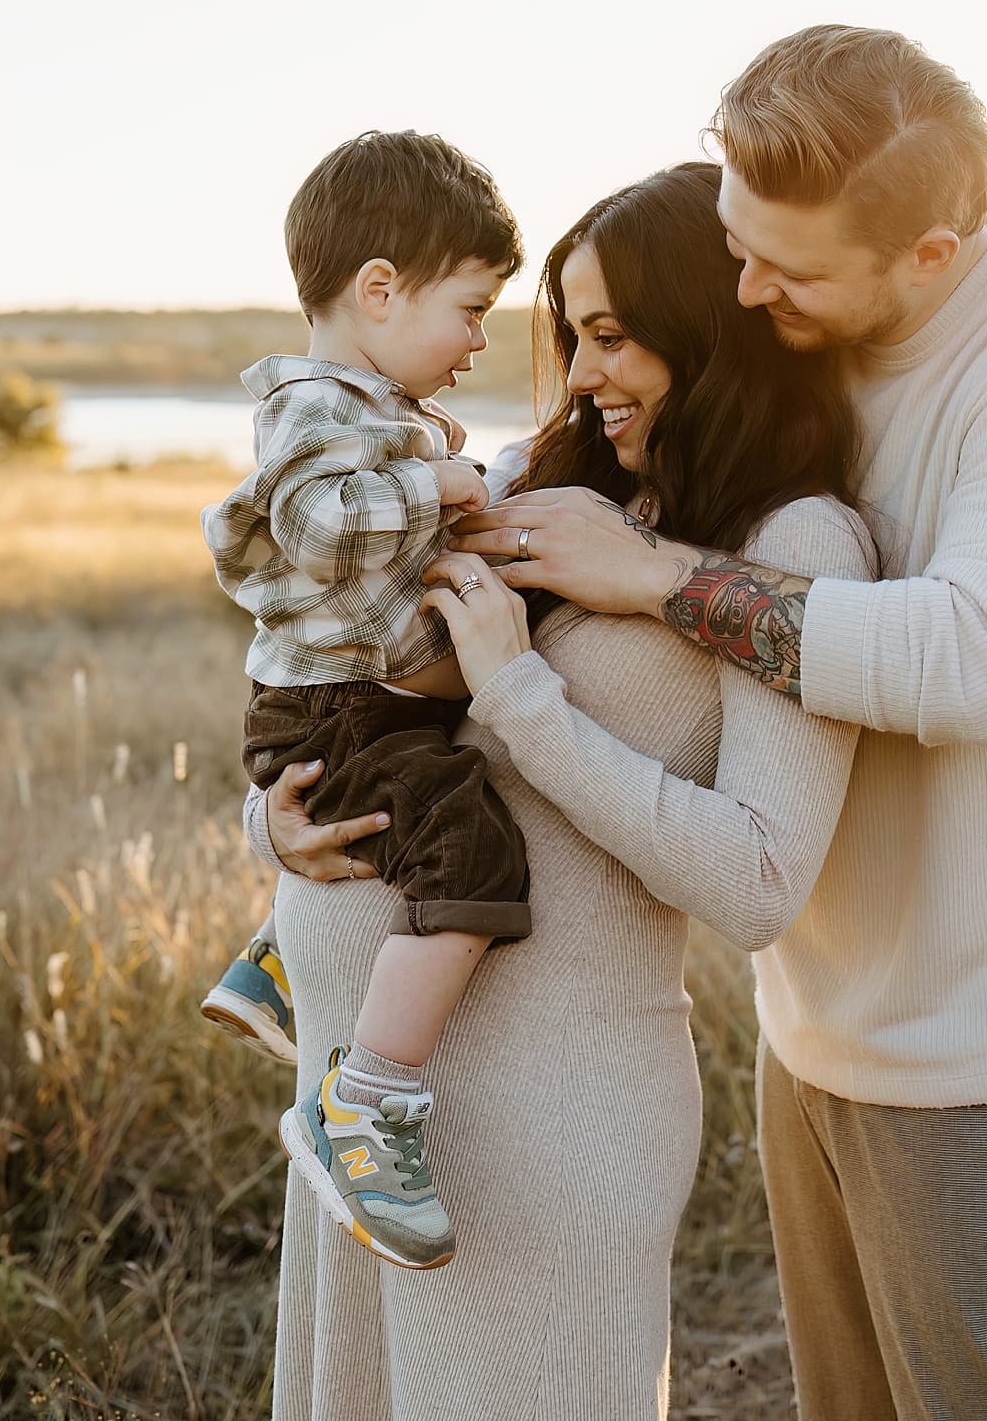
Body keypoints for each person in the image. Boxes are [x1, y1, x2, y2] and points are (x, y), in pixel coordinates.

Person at [453, 26, 987, 1421]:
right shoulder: (827, 328)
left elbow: (982, 662)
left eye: (783, 267)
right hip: (822, 1026)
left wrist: (666, 582)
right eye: (738, 243)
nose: (745, 288)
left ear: (931, 248)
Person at [246, 160, 876, 1420]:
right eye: (569, 333)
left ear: (709, 330)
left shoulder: (791, 544)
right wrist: (273, 818)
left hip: (552, 1121)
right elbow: (356, 673)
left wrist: (523, 693)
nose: (579, 372)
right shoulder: (546, 479)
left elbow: (757, 881)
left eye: (611, 336)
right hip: (366, 1121)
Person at [200, 130, 532, 1271]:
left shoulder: (365, 401)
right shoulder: (320, 407)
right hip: (336, 709)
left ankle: (283, 959)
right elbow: (317, 523)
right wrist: (437, 481)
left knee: (409, 813)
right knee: (473, 853)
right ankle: (366, 1102)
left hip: (352, 699)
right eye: (474, 308)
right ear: (380, 289)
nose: (482, 340)